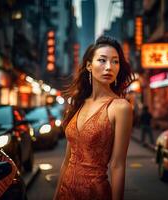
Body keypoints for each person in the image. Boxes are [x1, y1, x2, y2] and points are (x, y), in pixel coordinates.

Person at [53, 36, 134, 200]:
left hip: (94, 193)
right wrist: (56, 196)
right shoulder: (79, 103)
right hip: (65, 193)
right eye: (102, 60)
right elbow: (68, 159)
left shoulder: (120, 107)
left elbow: (117, 165)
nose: (109, 67)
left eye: (115, 61)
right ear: (89, 65)